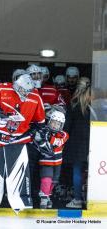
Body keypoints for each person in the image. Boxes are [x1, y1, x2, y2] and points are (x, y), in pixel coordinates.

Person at [0, 74, 45, 210]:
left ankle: (20, 200)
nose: (25, 93)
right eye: (22, 89)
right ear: (16, 85)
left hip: (18, 139)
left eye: (28, 90)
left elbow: (40, 121)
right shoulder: (2, 89)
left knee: (18, 170)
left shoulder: (36, 96)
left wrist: (32, 131)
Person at [63, 77, 91, 208]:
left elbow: (67, 126)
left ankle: (78, 199)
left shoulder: (73, 104)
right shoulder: (95, 105)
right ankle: (92, 198)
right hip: (94, 140)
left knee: (77, 171)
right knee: (94, 171)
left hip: (76, 142)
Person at [34, 109, 69, 209]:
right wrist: (39, 137)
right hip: (46, 162)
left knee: (54, 181)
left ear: (61, 126)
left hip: (57, 163)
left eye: (57, 124)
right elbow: (37, 142)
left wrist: (49, 137)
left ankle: (47, 195)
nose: (54, 126)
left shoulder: (64, 135)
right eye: (53, 123)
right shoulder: (44, 132)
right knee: (46, 179)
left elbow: (58, 142)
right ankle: (43, 198)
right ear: (49, 122)